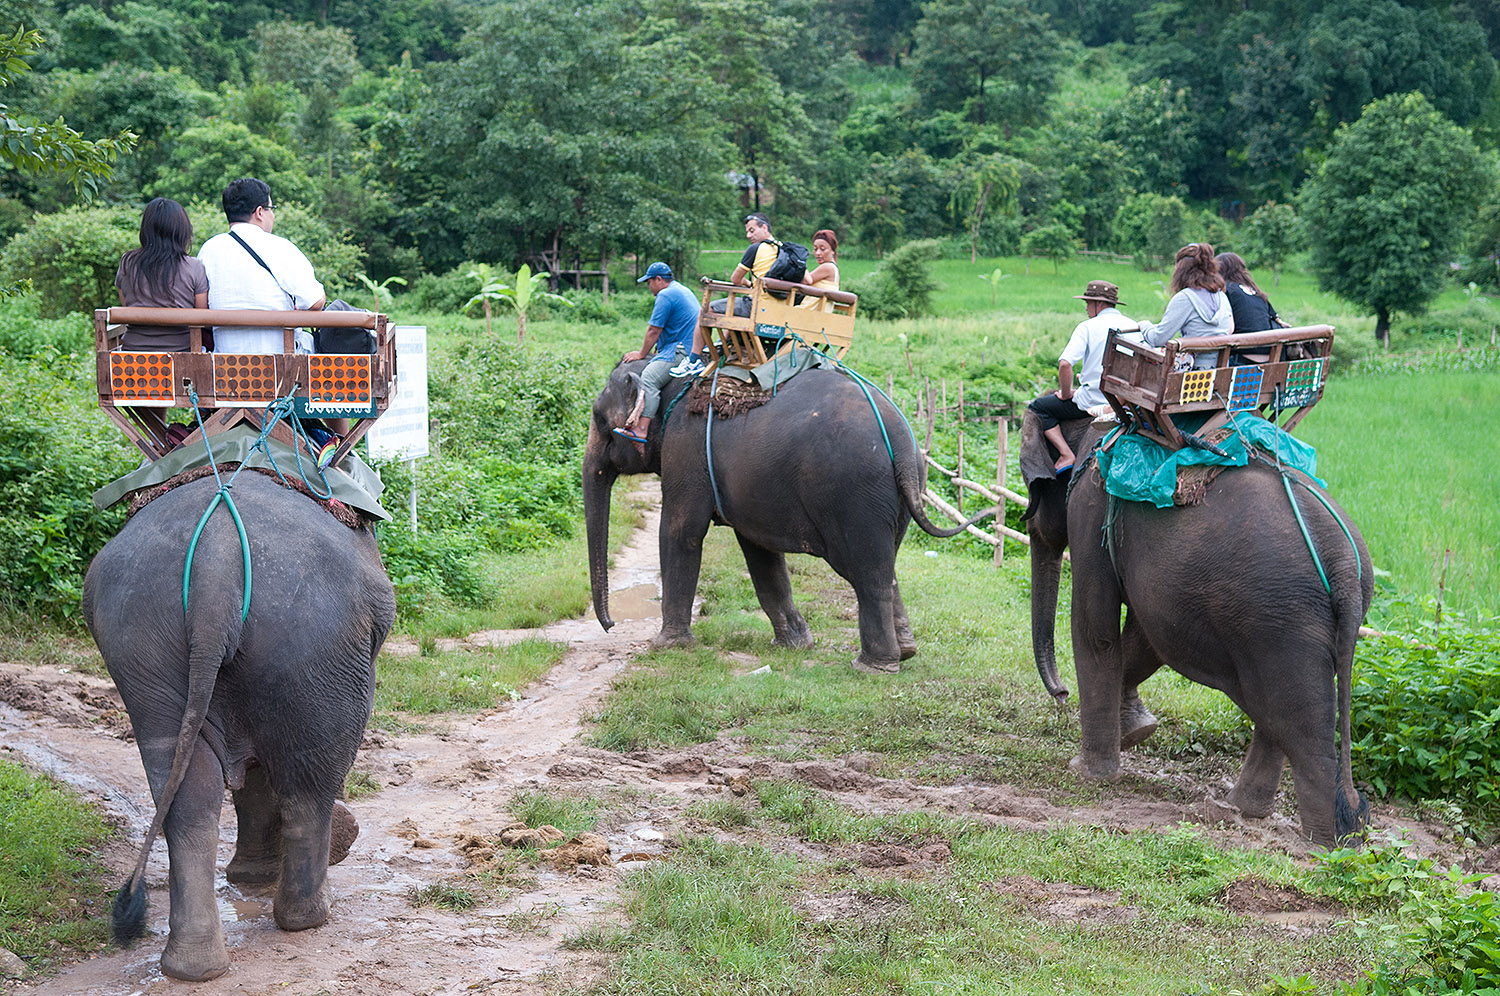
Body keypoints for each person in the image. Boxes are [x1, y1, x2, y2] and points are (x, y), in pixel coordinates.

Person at [197, 177, 325, 353]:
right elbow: (316, 302)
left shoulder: (208, 250)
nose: (272, 215)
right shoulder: (281, 247)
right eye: (271, 209)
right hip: (280, 365)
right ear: (259, 212)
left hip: (225, 365)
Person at [1028, 280, 1135, 473]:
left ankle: (1065, 453)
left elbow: (1065, 364)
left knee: (1038, 408)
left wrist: (1067, 393)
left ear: (1099, 304)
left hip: (1093, 401)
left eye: (1088, 303)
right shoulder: (1135, 326)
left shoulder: (1087, 327)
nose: (1086, 308)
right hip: (1125, 401)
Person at [615, 261, 703, 444]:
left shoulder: (665, 295)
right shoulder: (681, 289)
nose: (649, 287)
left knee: (649, 379)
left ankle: (641, 429)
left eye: (649, 282)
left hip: (682, 350)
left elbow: (653, 330)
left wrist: (641, 354)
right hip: (690, 345)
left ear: (659, 279)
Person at [113, 197, 209, 351]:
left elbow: (126, 306)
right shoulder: (194, 267)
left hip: (133, 356)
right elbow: (202, 317)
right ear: (182, 230)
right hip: (182, 356)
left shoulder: (128, 262)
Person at [1136, 242, 1233, 369]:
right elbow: (1230, 329)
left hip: (1192, 376)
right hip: (1220, 372)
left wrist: (1144, 325)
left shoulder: (1185, 298)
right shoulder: (1221, 296)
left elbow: (1158, 338)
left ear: (1180, 270)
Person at [709, 212, 778, 317]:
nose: (748, 236)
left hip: (757, 305)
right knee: (735, 311)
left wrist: (747, 283)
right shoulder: (783, 249)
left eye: (752, 231)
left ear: (764, 227)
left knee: (707, 309)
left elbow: (735, 279)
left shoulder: (756, 248)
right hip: (779, 308)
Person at [796, 229, 839, 311]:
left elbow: (806, 281)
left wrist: (799, 262)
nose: (818, 253)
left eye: (822, 249)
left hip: (808, 314)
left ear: (832, 251)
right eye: (815, 249)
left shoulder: (828, 267)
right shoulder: (833, 268)